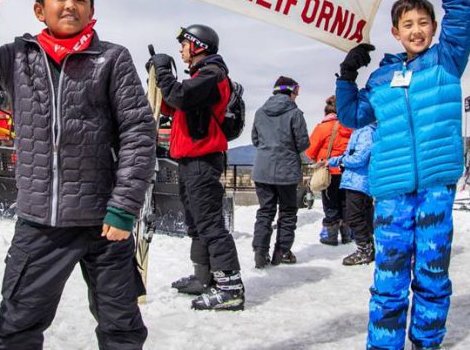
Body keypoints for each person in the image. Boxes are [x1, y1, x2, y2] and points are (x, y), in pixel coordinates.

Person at [0, 0, 155, 349]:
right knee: (16, 328)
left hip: (105, 224)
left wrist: (124, 206)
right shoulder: (17, 60)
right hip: (39, 222)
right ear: (40, 9)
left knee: (121, 329)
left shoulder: (112, 59)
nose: (70, 5)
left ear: (92, 12)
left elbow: (138, 132)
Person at [336, 0, 470, 350]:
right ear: (394, 32)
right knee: (389, 275)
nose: (416, 30)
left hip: (434, 185)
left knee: (432, 272)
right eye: (406, 24)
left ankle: (426, 342)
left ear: (433, 27)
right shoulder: (382, 77)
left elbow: (463, 13)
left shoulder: (446, 61)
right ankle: (384, 344)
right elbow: (352, 115)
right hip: (392, 190)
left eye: (422, 22)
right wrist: (347, 74)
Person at [149, 24, 244, 311]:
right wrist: (157, 77)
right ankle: (203, 277)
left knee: (210, 224)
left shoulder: (212, 74)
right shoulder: (200, 78)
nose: (180, 50)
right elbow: (173, 105)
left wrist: (164, 71)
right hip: (190, 159)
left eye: (184, 45)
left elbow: (179, 96)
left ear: (197, 45)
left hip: (203, 159)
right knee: (196, 223)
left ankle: (230, 288)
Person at [250, 76, 310, 268]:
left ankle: (260, 253)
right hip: (286, 169)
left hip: (262, 169)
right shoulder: (295, 113)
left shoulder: (260, 112)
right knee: (288, 211)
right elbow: (303, 143)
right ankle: (282, 251)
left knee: (265, 211)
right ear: (291, 92)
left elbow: (255, 139)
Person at [307, 95, 353, 245]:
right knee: (346, 202)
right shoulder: (351, 127)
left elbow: (310, 151)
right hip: (348, 170)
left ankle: (330, 235)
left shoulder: (322, 127)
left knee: (331, 203)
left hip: (329, 172)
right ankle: (347, 234)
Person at [329, 123, 376, 266]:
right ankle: (368, 246)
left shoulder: (366, 131)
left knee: (354, 216)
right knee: (363, 214)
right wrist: (333, 161)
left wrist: (342, 161)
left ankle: (365, 249)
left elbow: (360, 158)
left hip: (359, 180)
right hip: (356, 180)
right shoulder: (361, 130)